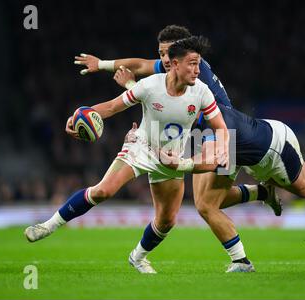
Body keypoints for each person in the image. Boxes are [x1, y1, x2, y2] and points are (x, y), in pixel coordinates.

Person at [74, 25, 305, 273]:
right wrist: (104, 64)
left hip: (223, 133)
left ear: (185, 55)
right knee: (210, 202)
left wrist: (178, 163)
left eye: (168, 54)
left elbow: (156, 97)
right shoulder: (177, 68)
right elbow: (143, 66)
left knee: (291, 188)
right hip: (218, 132)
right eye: (162, 54)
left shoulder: (193, 71)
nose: (164, 60)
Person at [25, 36, 230, 275]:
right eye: (193, 64)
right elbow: (112, 107)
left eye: (198, 64)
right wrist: (79, 115)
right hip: (140, 147)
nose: (197, 70)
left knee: (166, 222)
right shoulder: (150, 85)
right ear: (175, 64)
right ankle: (47, 226)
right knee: (103, 191)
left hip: (171, 158)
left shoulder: (202, 92)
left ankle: (138, 257)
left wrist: (224, 147)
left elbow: (221, 128)